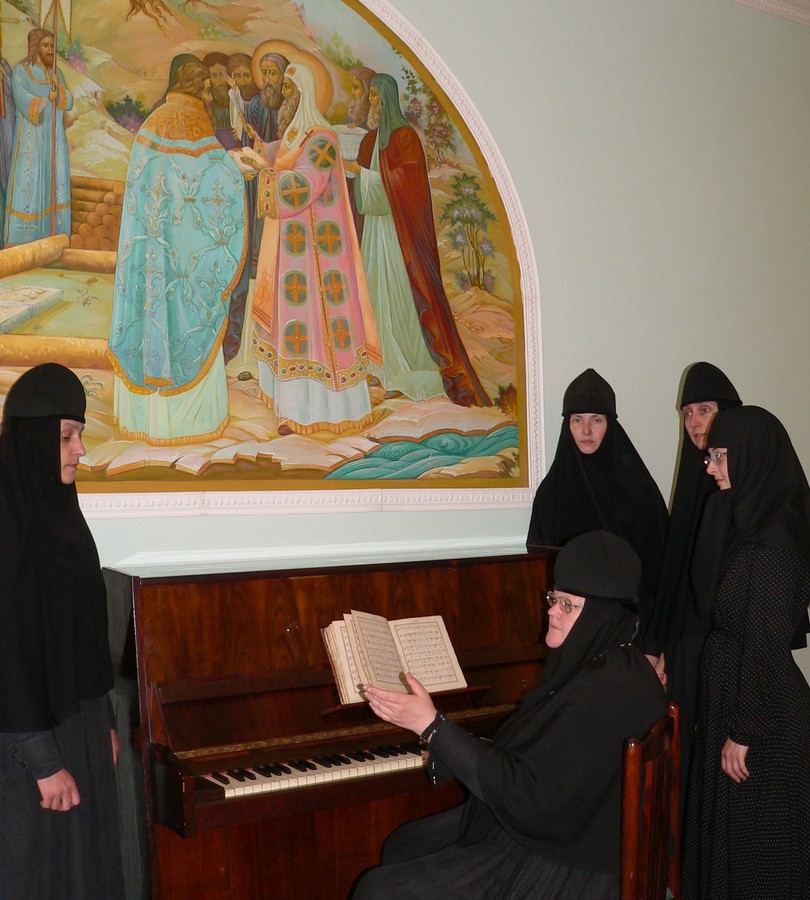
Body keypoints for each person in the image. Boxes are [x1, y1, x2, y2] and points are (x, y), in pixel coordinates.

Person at [352, 531, 666, 899]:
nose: (551, 611)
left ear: (602, 615)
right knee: (404, 844)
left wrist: (433, 727)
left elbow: (529, 796)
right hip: (569, 831)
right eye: (554, 598)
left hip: (568, 862)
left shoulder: (605, 688)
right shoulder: (605, 664)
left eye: (568, 605)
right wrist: (447, 744)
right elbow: (541, 753)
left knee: (377, 890)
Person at [0, 363, 125, 898]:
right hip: (27, 745)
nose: (80, 450)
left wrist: (106, 723)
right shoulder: (7, 529)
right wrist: (44, 763)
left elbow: (87, 635)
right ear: (31, 440)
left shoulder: (65, 521)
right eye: (66, 436)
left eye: (79, 434)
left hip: (82, 729)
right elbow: (7, 653)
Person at [683, 406, 810, 898]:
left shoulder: (776, 545)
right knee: (732, 843)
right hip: (737, 695)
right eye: (711, 455)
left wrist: (743, 729)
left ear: (752, 457)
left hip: (764, 716)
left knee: (758, 853)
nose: (710, 467)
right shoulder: (745, 524)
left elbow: (765, 647)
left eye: (720, 455)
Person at [108, 61, 246, 445]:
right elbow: (210, 181)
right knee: (188, 316)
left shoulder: (152, 123)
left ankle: (147, 420)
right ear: (194, 87)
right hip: (182, 258)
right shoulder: (194, 121)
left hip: (149, 257)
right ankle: (189, 424)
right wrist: (237, 167)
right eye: (206, 87)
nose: (209, 95)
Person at [247, 62, 380, 435]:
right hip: (293, 252)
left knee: (315, 332)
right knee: (291, 328)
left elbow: (304, 185)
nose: (283, 98)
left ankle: (322, 412)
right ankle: (291, 409)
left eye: (289, 92)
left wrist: (266, 175)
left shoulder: (322, 139)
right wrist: (259, 155)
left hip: (318, 259)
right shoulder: (298, 136)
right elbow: (280, 154)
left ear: (304, 95)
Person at [347, 73, 490, 407]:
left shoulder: (404, 137)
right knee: (375, 291)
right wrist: (358, 174)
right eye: (369, 96)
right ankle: (378, 365)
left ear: (386, 99)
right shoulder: (370, 140)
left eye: (374, 96)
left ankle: (406, 368)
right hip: (375, 232)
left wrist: (364, 175)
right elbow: (367, 188)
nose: (370, 102)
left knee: (398, 295)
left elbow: (406, 184)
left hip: (399, 234)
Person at [643, 362, 741, 800]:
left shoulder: (740, 487)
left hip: (725, 649)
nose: (696, 422)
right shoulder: (691, 480)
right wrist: (659, 644)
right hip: (685, 647)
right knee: (686, 766)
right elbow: (674, 574)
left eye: (705, 409)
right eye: (687, 413)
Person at [526, 368, 668, 634]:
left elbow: (660, 569)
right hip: (569, 630)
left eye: (596, 420)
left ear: (610, 424)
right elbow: (540, 569)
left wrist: (655, 641)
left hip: (630, 629)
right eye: (577, 420)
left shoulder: (639, 490)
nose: (586, 430)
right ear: (567, 425)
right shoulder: (551, 494)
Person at [4, 29, 72, 246]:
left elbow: (69, 102)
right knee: (31, 186)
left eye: (52, 46)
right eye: (46, 45)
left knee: (54, 184)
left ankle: (54, 242)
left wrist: (59, 90)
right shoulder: (21, 71)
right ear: (35, 47)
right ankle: (23, 244)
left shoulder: (56, 73)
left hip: (54, 141)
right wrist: (46, 100)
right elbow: (22, 100)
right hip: (31, 141)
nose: (51, 50)